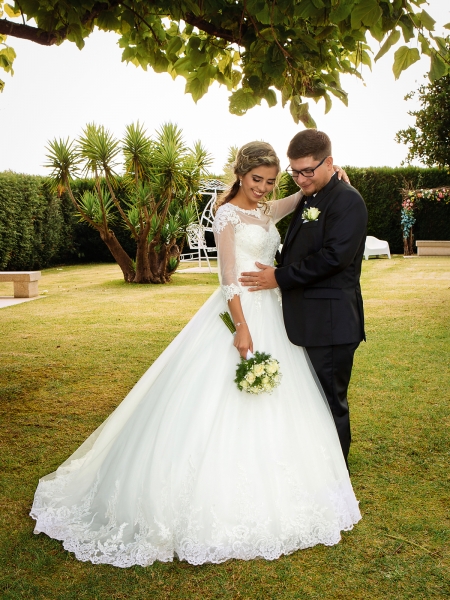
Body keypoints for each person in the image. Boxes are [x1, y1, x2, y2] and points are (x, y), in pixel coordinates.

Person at [30, 141, 361, 568]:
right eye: (256, 179)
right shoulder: (226, 216)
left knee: (288, 397)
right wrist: (241, 327)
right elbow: (227, 279)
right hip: (243, 312)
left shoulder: (267, 209)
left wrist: (333, 177)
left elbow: (300, 196)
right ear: (239, 174)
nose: (263, 188)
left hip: (276, 315)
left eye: (270, 181)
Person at [240, 131, 368, 466]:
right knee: (309, 402)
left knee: (329, 402)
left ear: (329, 163)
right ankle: (316, 470)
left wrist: (278, 277)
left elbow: (334, 258)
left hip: (330, 324)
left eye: (308, 171)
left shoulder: (347, 201)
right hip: (305, 321)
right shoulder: (310, 197)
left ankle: (336, 474)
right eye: (295, 172)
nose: (300, 179)